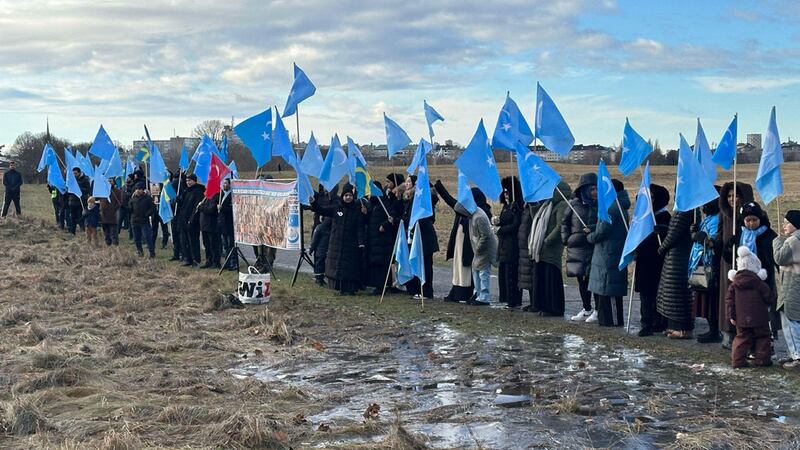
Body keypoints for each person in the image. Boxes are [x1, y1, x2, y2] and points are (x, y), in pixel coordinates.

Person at [586, 180, 630, 326]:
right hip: (607, 253)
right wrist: (593, 227)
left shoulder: (612, 208)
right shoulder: (615, 206)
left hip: (610, 254)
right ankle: (606, 320)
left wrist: (590, 236)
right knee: (604, 289)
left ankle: (614, 322)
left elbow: (603, 231)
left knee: (609, 290)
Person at [715, 182, 754, 349]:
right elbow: (719, 234)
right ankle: (728, 332)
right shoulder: (724, 214)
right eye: (729, 196)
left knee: (743, 298)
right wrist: (712, 242)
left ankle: (744, 333)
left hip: (745, 262)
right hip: (727, 262)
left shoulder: (750, 214)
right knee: (728, 297)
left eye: (735, 195)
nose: (732, 199)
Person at [310, 183, 365, 295]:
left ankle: (350, 290)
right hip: (336, 243)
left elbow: (360, 228)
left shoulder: (357, 210)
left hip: (351, 244)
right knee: (337, 266)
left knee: (349, 267)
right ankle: (339, 288)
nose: (348, 197)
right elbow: (322, 210)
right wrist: (313, 203)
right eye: (346, 195)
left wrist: (361, 242)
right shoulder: (336, 208)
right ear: (342, 196)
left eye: (350, 195)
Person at [726, 247, 774, 368]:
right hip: (760, 317)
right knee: (763, 338)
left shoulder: (734, 284)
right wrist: (769, 304)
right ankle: (762, 360)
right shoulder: (760, 283)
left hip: (741, 318)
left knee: (741, 338)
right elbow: (769, 297)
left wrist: (732, 316)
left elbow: (730, 302)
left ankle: (737, 360)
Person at [529, 181, 571, 316]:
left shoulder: (562, 205)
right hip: (543, 249)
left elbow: (560, 226)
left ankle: (554, 308)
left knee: (551, 280)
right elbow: (537, 218)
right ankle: (543, 306)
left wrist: (547, 240)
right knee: (543, 278)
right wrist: (533, 205)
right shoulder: (549, 205)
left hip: (551, 249)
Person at [634, 184, 670, 336]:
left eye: (653, 197)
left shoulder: (664, 216)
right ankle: (646, 322)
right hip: (643, 259)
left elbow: (670, 235)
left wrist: (663, 230)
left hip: (658, 259)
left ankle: (659, 321)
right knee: (645, 294)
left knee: (658, 292)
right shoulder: (642, 216)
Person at [433, 179, 476, 303]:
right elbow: (450, 200)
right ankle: (456, 291)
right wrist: (437, 186)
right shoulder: (461, 210)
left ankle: (464, 294)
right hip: (459, 246)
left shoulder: (475, 213)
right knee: (458, 270)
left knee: (465, 272)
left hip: (467, 248)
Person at [563, 173, 598, 322]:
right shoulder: (573, 204)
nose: (594, 192)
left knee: (592, 280)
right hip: (576, 249)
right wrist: (567, 239)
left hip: (592, 248)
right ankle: (586, 308)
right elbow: (565, 223)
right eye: (592, 189)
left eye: (596, 189)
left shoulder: (599, 205)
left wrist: (592, 230)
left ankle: (597, 310)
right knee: (581, 280)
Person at [454, 188, 496, 306]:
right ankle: (477, 293)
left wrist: (478, 249)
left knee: (483, 272)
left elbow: (485, 236)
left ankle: (484, 296)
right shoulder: (472, 215)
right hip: (477, 249)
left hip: (484, 249)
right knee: (475, 270)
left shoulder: (479, 217)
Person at [656, 210, 695, 339]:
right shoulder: (682, 210)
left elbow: (674, 233)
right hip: (674, 255)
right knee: (671, 294)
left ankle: (683, 329)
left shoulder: (685, 211)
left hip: (679, 257)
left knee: (677, 293)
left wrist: (662, 248)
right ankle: (674, 326)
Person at [689, 196, 722, 343]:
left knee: (711, 299)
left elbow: (713, 241)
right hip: (700, 262)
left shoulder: (717, 219)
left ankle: (715, 330)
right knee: (704, 298)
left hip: (711, 263)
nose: (704, 207)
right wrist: (694, 233)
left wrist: (704, 238)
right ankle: (711, 328)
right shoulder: (707, 218)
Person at [401, 175, 439, 299]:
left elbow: (428, 215)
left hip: (424, 237)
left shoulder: (425, 199)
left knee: (426, 265)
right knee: (417, 263)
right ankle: (417, 289)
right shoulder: (412, 199)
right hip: (415, 235)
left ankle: (426, 291)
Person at [364, 175, 402, 294]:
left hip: (382, 239)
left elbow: (392, 216)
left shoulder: (383, 202)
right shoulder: (372, 204)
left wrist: (384, 225)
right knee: (375, 262)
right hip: (373, 238)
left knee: (381, 263)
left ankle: (382, 286)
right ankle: (376, 284)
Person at [773, 210, 800, 369]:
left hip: (792, 285)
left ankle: (797, 356)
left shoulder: (793, 241)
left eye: (787, 223)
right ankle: (793, 354)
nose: (783, 226)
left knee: (790, 321)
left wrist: (777, 242)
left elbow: (779, 258)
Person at [494, 177, 522, 306]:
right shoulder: (506, 206)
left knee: (511, 274)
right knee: (504, 274)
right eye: (503, 192)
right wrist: (497, 221)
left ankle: (513, 301)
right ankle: (506, 299)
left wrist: (500, 229)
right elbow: (505, 220)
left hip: (512, 245)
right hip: (503, 245)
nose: (505, 195)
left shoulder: (516, 206)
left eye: (507, 192)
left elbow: (515, 225)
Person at [178, 174, 205, 267]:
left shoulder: (198, 192)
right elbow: (182, 205)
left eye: (190, 180)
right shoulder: (186, 191)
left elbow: (196, 208)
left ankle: (195, 259)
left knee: (193, 241)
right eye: (187, 181)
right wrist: (178, 199)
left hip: (192, 221)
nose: (188, 182)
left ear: (194, 181)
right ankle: (187, 258)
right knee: (184, 241)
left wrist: (192, 219)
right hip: (183, 220)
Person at [129, 182, 156, 257]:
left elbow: (153, 208)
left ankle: (152, 252)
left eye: (140, 189)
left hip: (144, 221)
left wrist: (146, 214)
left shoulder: (148, 198)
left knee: (147, 237)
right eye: (137, 189)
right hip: (135, 221)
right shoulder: (133, 198)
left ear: (143, 190)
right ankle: (140, 252)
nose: (138, 191)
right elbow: (130, 208)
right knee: (136, 238)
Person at [199, 191, 221, 269]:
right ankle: (208, 261)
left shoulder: (216, 197)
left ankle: (216, 262)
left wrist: (201, 207)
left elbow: (211, 210)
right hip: (204, 225)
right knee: (207, 245)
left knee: (213, 245)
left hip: (212, 225)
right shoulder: (205, 197)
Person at [218, 178, 236, 270]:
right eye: (223, 183)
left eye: (225, 183)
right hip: (222, 225)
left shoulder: (232, 195)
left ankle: (233, 263)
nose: (223, 185)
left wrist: (222, 208)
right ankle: (227, 262)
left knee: (231, 244)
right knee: (225, 245)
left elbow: (232, 210)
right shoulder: (223, 195)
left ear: (230, 184)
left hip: (229, 224)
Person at [66, 168, 91, 234]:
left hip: (81, 202)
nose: (74, 175)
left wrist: (79, 188)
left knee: (81, 217)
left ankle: (83, 230)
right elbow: (68, 190)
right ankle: (72, 231)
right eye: (73, 173)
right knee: (72, 217)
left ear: (79, 173)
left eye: (76, 173)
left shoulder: (85, 179)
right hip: (72, 201)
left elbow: (88, 190)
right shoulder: (71, 180)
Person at [99, 180, 122, 246]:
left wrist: (114, 209)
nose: (109, 183)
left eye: (110, 181)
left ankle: (115, 244)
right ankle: (108, 243)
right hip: (104, 214)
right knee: (106, 231)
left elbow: (119, 202)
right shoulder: (102, 191)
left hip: (113, 214)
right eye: (108, 181)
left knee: (113, 231)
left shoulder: (117, 191)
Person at [309, 216, 331, 286]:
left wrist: (311, 249)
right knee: (325, 265)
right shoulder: (333, 227)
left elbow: (315, 240)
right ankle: (323, 279)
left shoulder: (319, 227)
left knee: (319, 265)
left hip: (320, 251)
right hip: (329, 251)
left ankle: (318, 279)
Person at [169, 172, 185, 261]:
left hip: (180, 216)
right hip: (173, 216)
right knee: (175, 236)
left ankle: (182, 254)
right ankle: (176, 253)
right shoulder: (172, 194)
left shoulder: (182, 193)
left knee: (180, 237)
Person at [150, 183, 171, 249]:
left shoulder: (164, 188)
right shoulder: (152, 186)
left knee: (164, 228)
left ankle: (164, 244)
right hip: (154, 211)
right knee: (154, 228)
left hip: (162, 211)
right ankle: (152, 243)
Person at [119, 175, 134, 240]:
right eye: (127, 178)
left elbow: (131, 195)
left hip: (129, 207)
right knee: (119, 220)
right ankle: (117, 233)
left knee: (130, 222)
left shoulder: (133, 187)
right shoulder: (123, 187)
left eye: (128, 178)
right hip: (122, 206)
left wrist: (127, 192)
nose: (127, 179)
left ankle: (131, 236)